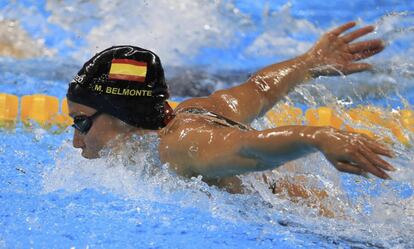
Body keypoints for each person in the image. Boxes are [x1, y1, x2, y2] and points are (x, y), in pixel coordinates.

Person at [67, 21, 396, 195]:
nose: (76, 141)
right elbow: (260, 89)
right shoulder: (193, 110)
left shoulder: (181, 145)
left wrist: (316, 137)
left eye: (81, 124)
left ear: (122, 114)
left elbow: (252, 149)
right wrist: (309, 62)